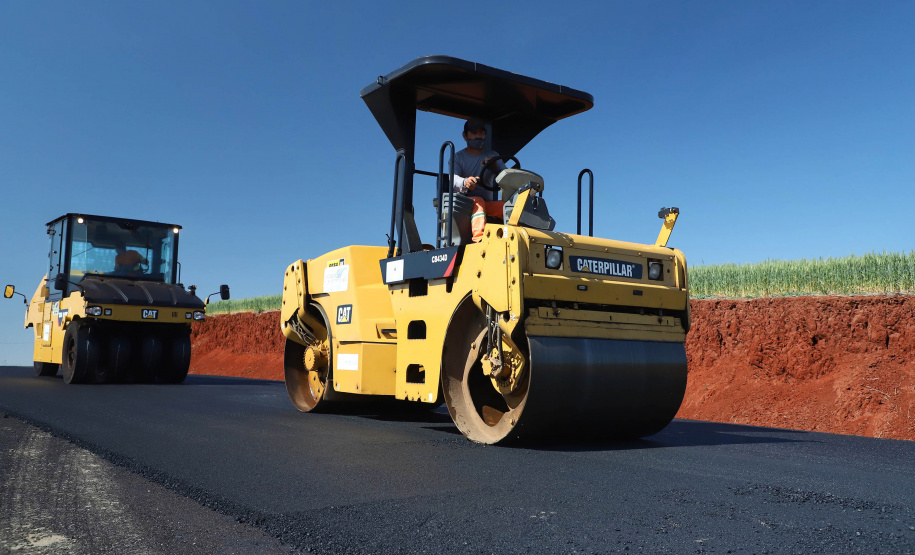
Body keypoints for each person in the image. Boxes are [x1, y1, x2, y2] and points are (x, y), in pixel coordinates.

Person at [449, 118, 507, 242]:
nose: (479, 137)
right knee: (478, 201)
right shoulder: (458, 158)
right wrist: (465, 182)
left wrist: (495, 167)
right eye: (475, 133)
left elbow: (506, 176)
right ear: (465, 136)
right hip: (464, 205)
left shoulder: (493, 156)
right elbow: (452, 179)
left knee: (506, 207)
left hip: (488, 203)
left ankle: (511, 240)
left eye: (481, 133)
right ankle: (479, 240)